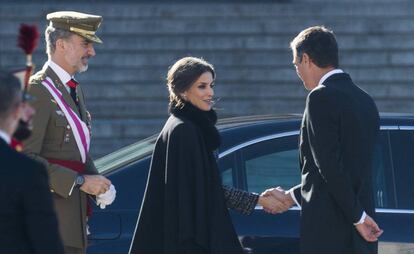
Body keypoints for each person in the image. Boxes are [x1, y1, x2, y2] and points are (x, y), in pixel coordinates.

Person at [129, 57, 284, 254]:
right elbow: (204, 190)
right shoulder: (185, 130)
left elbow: (203, 187)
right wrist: (257, 201)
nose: (210, 92)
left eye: (211, 85)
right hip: (187, 241)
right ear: (183, 91)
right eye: (202, 86)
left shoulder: (183, 125)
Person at [265, 26, 383, 254]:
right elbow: (349, 170)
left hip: (330, 234)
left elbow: (328, 166)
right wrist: (292, 196)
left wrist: (357, 218)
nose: (297, 71)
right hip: (362, 236)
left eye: (296, 64)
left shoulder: (320, 97)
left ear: (306, 59)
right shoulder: (365, 100)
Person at [23, 11, 114, 254]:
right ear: (61, 45)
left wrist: (98, 183)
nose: (92, 52)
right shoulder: (36, 91)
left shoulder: (74, 90)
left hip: (71, 225)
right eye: (85, 44)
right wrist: (81, 181)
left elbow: (77, 150)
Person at [0, 70, 64, 254]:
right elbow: (47, 244)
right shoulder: (28, 171)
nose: (32, 111)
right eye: (24, 104)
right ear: (15, 110)